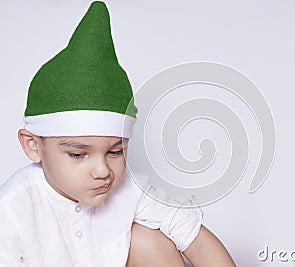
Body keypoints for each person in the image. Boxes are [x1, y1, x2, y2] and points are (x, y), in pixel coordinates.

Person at [0, 1, 235, 266]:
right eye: (78, 154)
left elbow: (198, 241)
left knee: (148, 241)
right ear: (32, 145)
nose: (103, 171)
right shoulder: (11, 210)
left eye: (115, 151)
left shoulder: (128, 189)